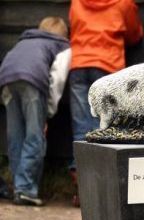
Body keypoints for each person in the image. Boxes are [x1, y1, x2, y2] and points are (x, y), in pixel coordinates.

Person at [68, 0, 143, 206]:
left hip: (79, 65)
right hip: (108, 67)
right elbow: (134, 34)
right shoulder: (123, 3)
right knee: (106, 128)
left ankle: (83, 187)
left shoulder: (77, 1)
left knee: (80, 128)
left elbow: (73, 26)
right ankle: (102, 190)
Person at [0, 16, 69, 206]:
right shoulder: (62, 46)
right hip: (32, 81)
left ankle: (18, 185)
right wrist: (48, 111)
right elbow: (58, 79)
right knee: (34, 136)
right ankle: (26, 189)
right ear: (63, 34)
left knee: (16, 137)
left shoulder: (24, 41)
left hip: (6, 80)